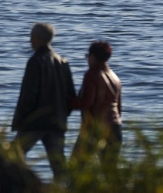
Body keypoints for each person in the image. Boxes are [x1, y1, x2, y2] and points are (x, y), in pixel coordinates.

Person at [11, 22, 76, 180]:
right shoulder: (63, 62)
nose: (30, 40)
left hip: (35, 122)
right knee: (59, 166)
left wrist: (20, 120)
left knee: (13, 155)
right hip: (56, 122)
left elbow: (29, 95)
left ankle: (19, 185)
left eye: (32, 37)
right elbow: (70, 96)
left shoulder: (35, 61)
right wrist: (63, 115)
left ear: (38, 38)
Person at [71, 40, 123, 161]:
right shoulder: (115, 78)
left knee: (77, 165)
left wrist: (67, 101)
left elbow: (87, 102)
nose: (87, 59)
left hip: (95, 127)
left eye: (88, 56)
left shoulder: (92, 74)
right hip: (115, 127)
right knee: (109, 171)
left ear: (93, 57)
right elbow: (119, 108)